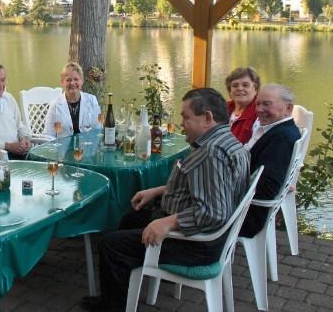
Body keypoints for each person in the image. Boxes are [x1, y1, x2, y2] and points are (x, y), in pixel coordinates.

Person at [83, 88, 250, 312]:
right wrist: (159, 191)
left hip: (198, 244)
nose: (181, 124)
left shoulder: (211, 154)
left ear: (208, 118)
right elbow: (212, 189)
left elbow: (213, 213)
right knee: (130, 219)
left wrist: (168, 222)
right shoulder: (229, 142)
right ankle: (121, 290)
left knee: (111, 245)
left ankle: (112, 307)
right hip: (215, 238)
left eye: (186, 117)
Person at [240, 83, 301, 238]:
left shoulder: (282, 138)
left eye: (267, 104)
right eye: (257, 104)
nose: (259, 109)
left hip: (245, 216)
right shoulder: (274, 130)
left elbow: (266, 189)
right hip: (243, 208)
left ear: (288, 108)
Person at [44, 62, 101, 138]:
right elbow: (48, 134)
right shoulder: (55, 105)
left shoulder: (92, 100)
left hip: (87, 144)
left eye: (76, 79)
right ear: (62, 82)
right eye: (68, 80)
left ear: (82, 81)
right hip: (63, 145)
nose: (72, 83)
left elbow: (98, 129)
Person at [225, 66, 260, 143]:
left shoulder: (260, 112)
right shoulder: (222, 107)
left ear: (255, 89)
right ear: (229, 90)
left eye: (245, 85)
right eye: (235, 85)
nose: (240, 88)